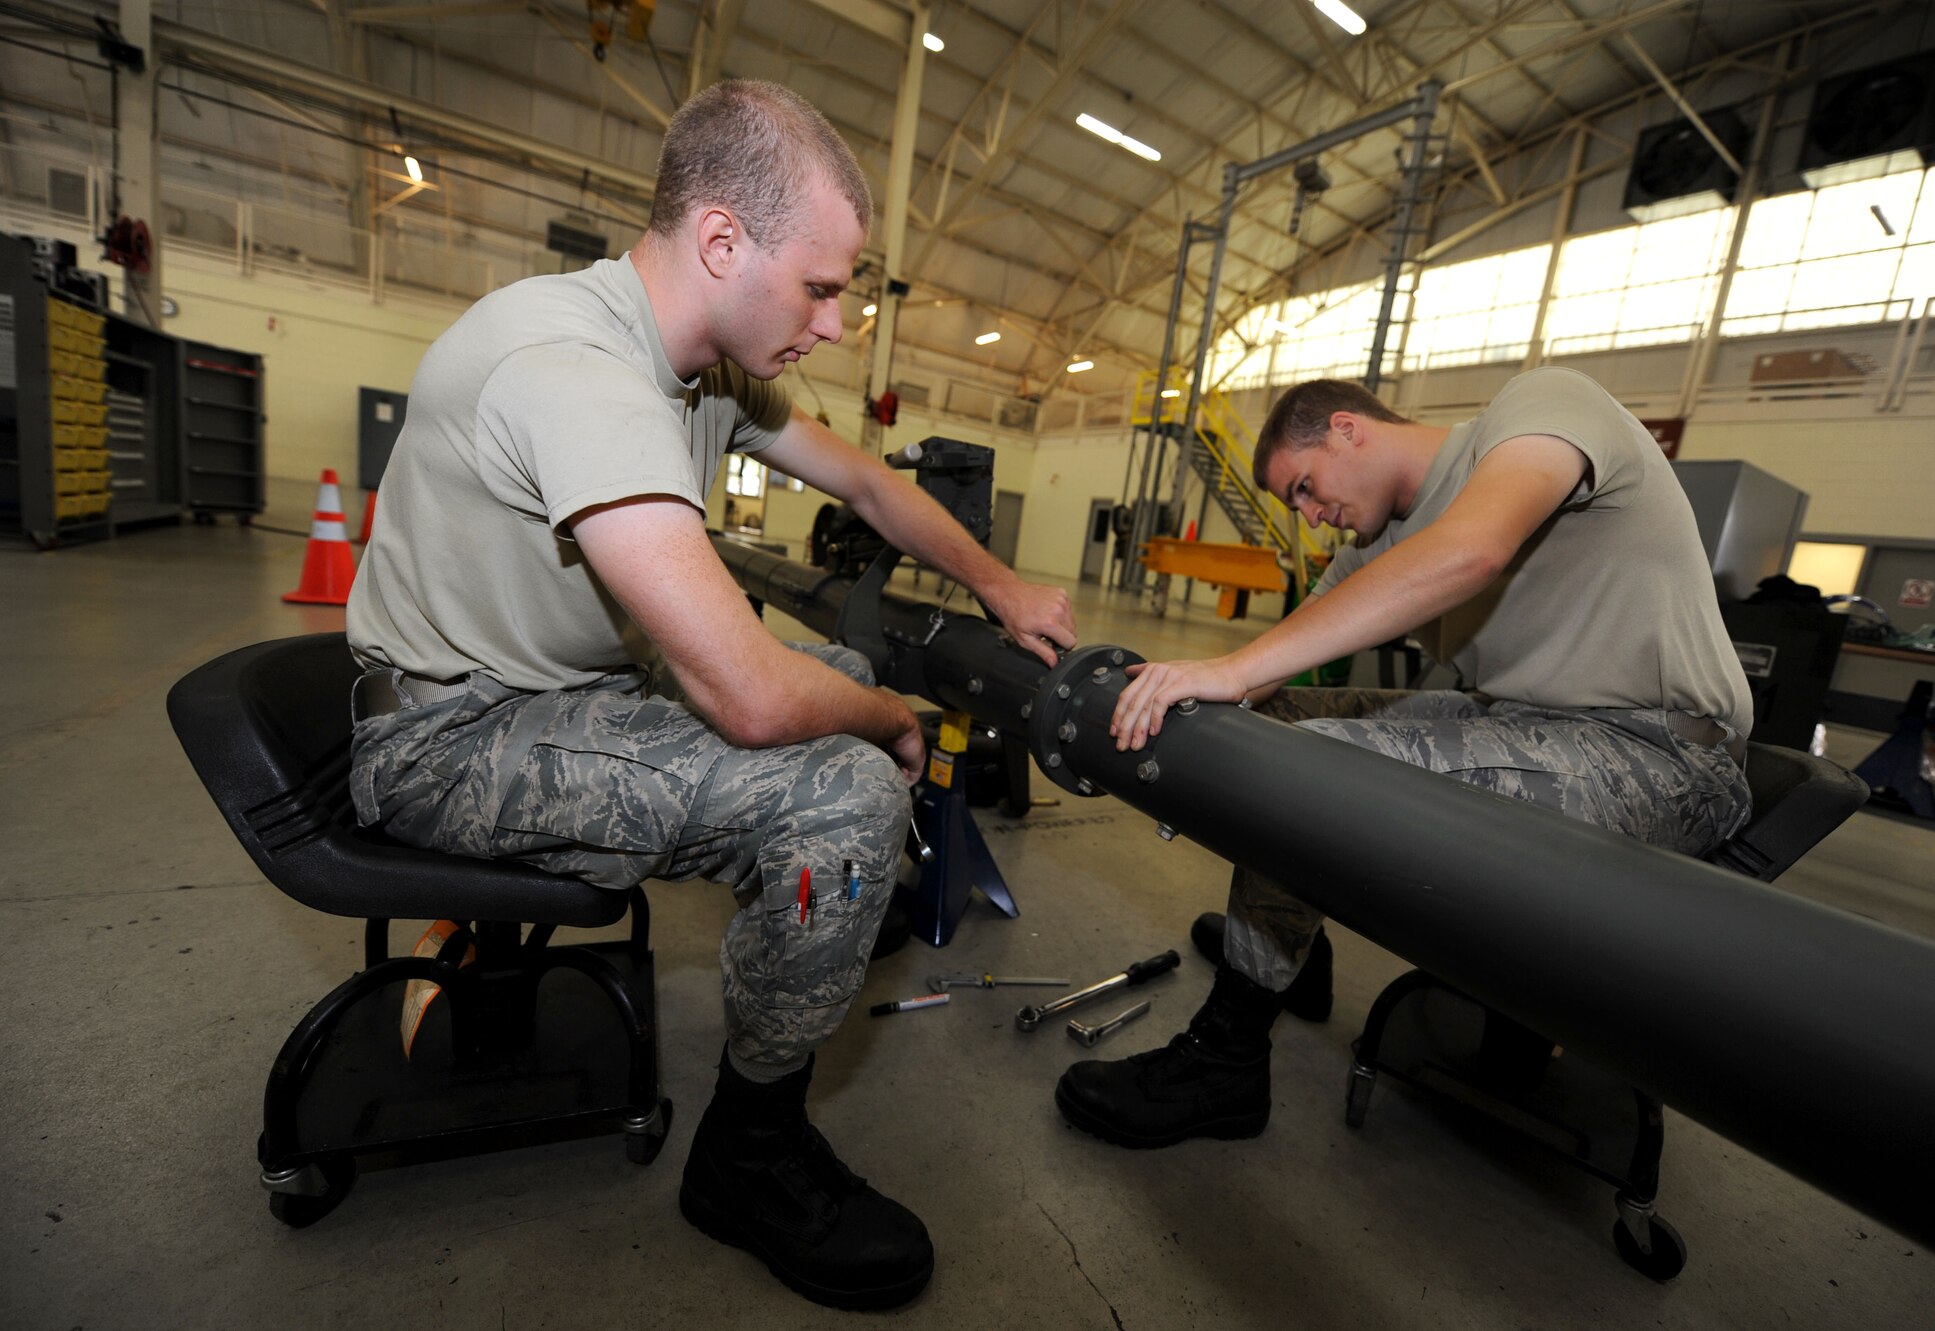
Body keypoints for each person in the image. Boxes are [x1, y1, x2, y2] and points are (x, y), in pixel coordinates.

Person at [345, 79, 1075, 1310]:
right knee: (844, 780)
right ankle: (748, 1153)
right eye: (823, 287)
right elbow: (741, 692)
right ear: (722, 241)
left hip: (547, 688)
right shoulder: (571, 368)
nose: (837, 324)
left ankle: (826, 918)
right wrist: (900, 725)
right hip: (448, 735)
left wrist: (1002, 585)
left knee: (837, 678)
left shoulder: (706, 368)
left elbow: (873, 489)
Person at [1055, 367, 1751, 1149]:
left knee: (1298, 770)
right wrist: (1188, 687)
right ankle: (1290, 945)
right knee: (1262, 726)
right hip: (1527, 723)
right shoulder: (1378, 542)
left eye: (1308, 489)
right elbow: (1268, 670)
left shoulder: (1538, 410)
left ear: (1349, 428)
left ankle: (1226, 1060)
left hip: (1660, 754)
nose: (1315, 519)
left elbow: (1475, 548)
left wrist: (1230, 673)